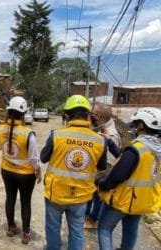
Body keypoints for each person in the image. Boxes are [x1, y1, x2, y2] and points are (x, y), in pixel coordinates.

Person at [40, 95, 107, 250]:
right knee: (77, 231)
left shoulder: (56, 135)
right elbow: (102, 166)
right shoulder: (100, 141)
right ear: (87, 116)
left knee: (52, 228)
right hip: (81, 196)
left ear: (67, 115)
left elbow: (43, 158)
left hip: (55, 193)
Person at [97, 107, 161, 250]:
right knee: (130, 230)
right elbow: (125, 158)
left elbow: (116, 177)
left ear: (142, 126)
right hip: (142, 200)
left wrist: (102, 184)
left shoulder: (137, 149)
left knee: (104, 229)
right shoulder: (156, 149)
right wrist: (110, 142)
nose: (134, 127)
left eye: (136, 124)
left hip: (123, 200)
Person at [0, 96, 42, 245]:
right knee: (25, 202)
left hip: (7, 171)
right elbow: (34, 158)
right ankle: (26, 233)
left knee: (10, 198)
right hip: (26, 175)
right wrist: (38, 171)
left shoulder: (0, 128)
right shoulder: (27, 133)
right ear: (23, 114)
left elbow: (1, 147)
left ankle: (11, 228)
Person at [84, 103, 121, 229]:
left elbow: (110, 154)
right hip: (96, 169)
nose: (90, 115)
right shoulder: (101, 127)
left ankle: (93, 220)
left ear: (98, 116)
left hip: (105, 170)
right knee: (91, 195)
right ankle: (87, 216)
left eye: (92, 113)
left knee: (98, 198)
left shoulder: (111, 134)